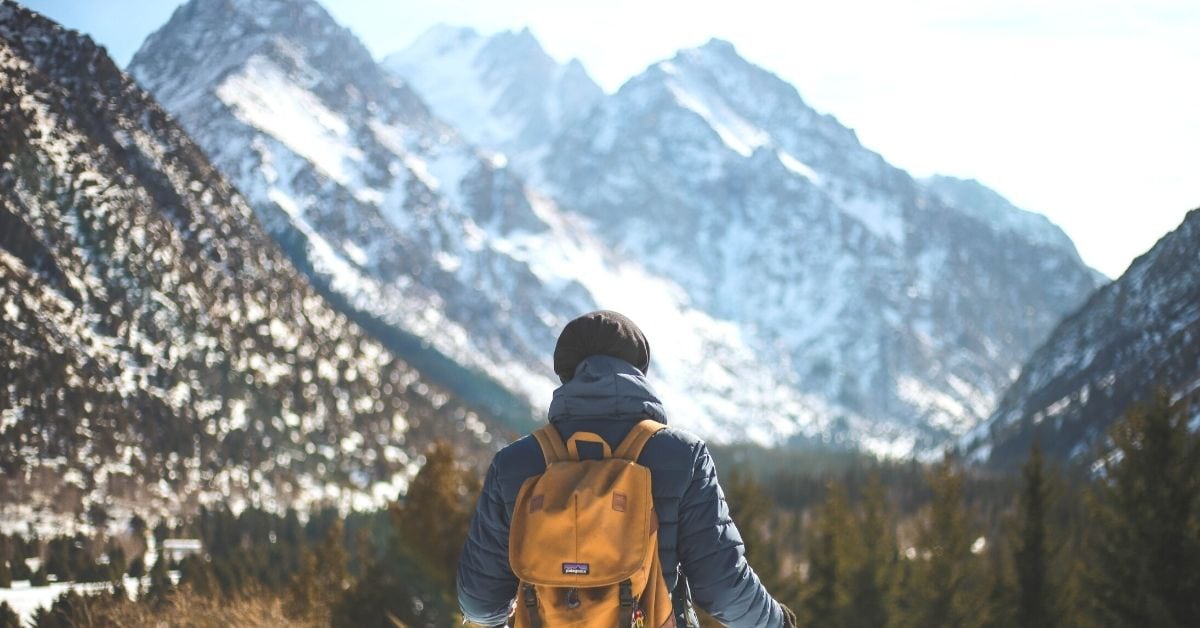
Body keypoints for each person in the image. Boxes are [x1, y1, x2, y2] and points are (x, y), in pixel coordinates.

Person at [457, 310, 798, 627]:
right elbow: (721, 587)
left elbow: (478, 602)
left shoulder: (515, 463)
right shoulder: (683, 455)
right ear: (638, 371)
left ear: (566, 373)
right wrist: (777, 621)